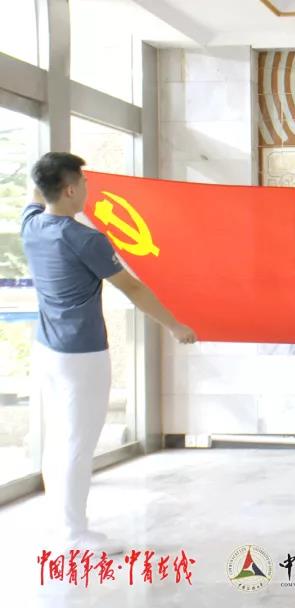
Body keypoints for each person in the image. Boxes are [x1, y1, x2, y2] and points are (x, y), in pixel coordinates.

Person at [22, 152, 196, 553]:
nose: (88, 188)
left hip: (46, 350)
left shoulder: (30, 225)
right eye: (83, 182)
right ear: (70, 190)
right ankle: (74, 534)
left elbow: (36, 192)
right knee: (77, 444)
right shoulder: (85, 239)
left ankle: (61, 523)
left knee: (59, 439)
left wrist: (47, 172)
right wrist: (174, 325)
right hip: (82, 356)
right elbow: (132, 288)